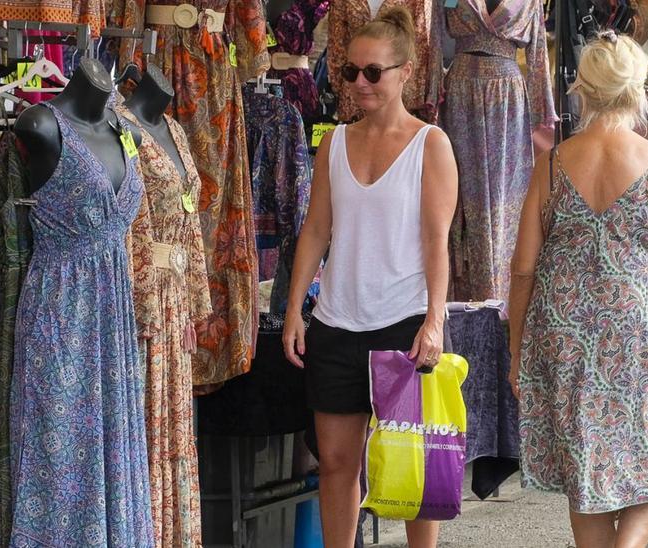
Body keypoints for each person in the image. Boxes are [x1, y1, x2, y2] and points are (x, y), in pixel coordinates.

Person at [508, 32, 648, 548]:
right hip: (639, 334)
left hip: (564, 340)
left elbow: (523, 270)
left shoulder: (551, 165)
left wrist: (517, 349)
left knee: (585, 472)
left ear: (581, 90)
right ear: (639, 91)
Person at [281, 6, 458, 548]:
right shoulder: (334, 142)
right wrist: (294, 310)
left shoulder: (431, 144)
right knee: (336, 464)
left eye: (373, 72)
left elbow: (436, 241)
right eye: (350, 72)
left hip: (402, 323)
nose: (359, 83)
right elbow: (315, 230)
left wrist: (434, 319)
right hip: (336, 320)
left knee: (413, 466)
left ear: (406, 71)